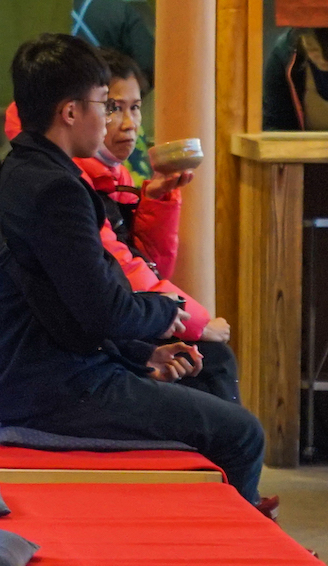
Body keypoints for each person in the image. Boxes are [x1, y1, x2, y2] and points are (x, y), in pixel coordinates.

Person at [0, 33, 268, 508]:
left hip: (31, 372)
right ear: (70, 112)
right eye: (105, 105)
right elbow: (103, 309)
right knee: (241, 433)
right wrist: (167, 311)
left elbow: (75, 302)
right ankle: (242, 547)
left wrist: (140, 353)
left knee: (205, 376)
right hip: (55, 390)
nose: (114, 119)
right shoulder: (56, 190)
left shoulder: (13, 170)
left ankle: (205, 527)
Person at [83, 50, 238, 402]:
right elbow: (119, 267)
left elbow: (152, 265)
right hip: (100, 337)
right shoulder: (77, 179)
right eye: (113, 108)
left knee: (209, 361)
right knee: (211, 360)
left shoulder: (115, 176)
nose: (129, 123)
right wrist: (195, 321)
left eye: (135, 107)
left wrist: (157, 200)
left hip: (121, 320)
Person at [70, 0, 154, 87]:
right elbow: (148, 65)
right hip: (107, 101)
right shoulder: (121, 11)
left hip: (57, 104)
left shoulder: (48, 11)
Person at [261, 27, 328, 131]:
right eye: (312, 48)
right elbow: (274, 126)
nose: (323, 59)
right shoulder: (284, 55)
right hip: (304, 150)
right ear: (301, 40)